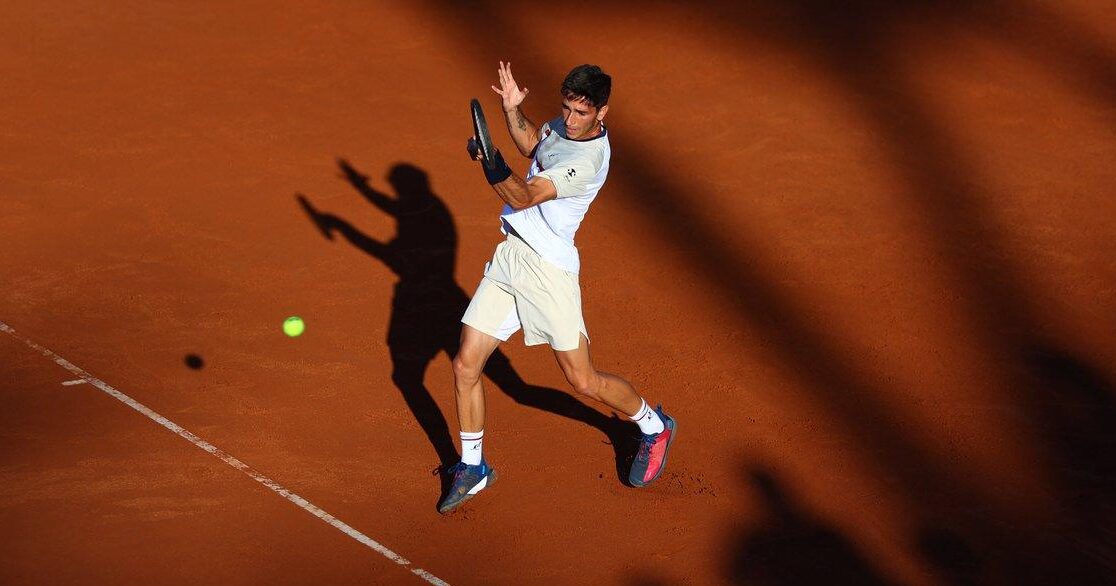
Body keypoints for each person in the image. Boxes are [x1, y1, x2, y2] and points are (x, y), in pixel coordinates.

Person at [438, 62, 676, 514]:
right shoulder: (562, 128)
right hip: (511, 257)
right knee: (466, 363)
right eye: (566, 108)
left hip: (549, 271)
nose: (569, 120)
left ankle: (652, 425)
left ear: (602, 112)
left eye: (581, 113)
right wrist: (512, 110)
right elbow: (534, 143)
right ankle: (473, 468)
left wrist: (491, 165)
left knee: (582, 380)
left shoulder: (585, 164)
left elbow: (523, 195)